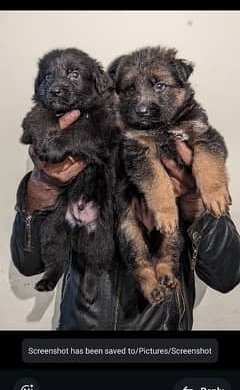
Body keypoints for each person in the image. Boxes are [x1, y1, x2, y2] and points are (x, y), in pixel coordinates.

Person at [11, 110, 240, 330]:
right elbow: (29, 264)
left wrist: (196, 203)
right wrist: (43, 186)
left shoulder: (182, 159)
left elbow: (227, 276)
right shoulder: (75, 162)